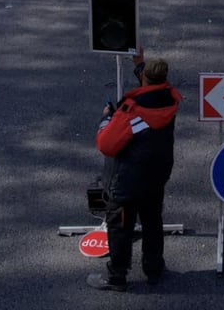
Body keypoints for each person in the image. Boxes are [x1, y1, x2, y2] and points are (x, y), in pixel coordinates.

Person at [88, 49, 183, 292]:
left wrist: (107, 119)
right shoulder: (169, 99)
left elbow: (106, 145)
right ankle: (154, 269)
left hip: (128, 181)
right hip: (157, 173)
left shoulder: (131, 111)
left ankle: (117, 276)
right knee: (152, 220)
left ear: (146, 79)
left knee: (120, 226)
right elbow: (154, 85)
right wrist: (140, 65)